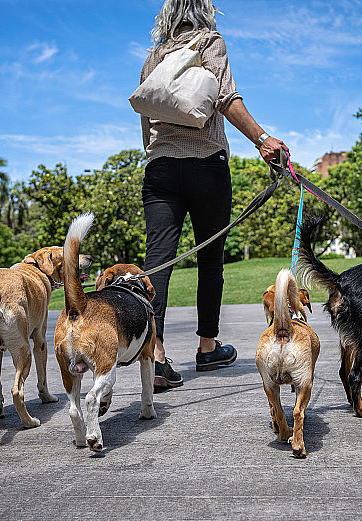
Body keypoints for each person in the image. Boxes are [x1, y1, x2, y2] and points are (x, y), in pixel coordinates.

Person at [139, 0, 289, 390]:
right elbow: (225, 97)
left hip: (159, 167)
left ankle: (154, 356)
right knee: (210, 258)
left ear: (167, 16)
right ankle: (207, 348)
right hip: (206, 162)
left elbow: (145, 119)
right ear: (205, 11)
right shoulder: (209, 42)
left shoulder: (154, 55)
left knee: (158, 259)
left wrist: (160, 153)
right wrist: (262, 139)